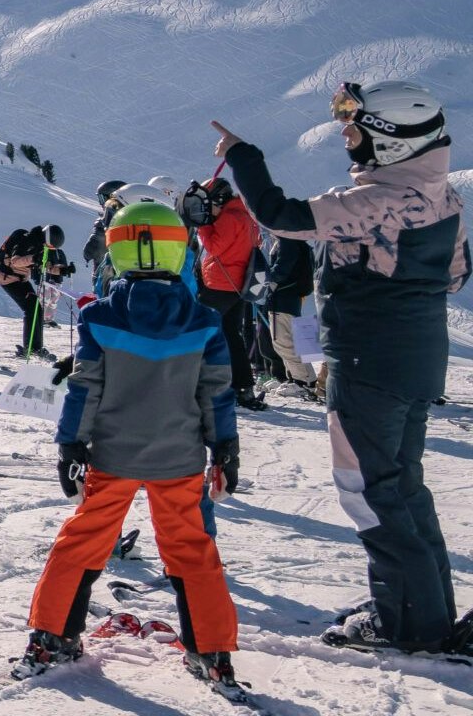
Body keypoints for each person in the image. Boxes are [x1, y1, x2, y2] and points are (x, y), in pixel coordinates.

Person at [214, 81, 468, 654]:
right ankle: (421, 607)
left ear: (394, 142)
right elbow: (456, 273)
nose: (348, 140)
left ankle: (408, 623)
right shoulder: (443, 198)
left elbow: (282, 216)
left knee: (367, 490)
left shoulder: (378, 200)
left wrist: (243, 158)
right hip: (417, 359)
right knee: (401, 485)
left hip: (369, 360)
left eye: (358, 131)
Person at [12, 201, 241, 691]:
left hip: (112, 457)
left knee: (81, 544)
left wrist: (71, 446)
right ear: (178, 249)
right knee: (193, 552)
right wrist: (224, 447)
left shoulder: (100, 319)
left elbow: (85, 388)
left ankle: (51, 638)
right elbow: (216, 393)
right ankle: (212, 651)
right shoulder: (203, 321)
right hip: (179, 459)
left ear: (117, 251)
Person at [182, 176, 265, 410]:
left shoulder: (228, 217)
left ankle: (193, 383)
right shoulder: (246, 215)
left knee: (199, 330)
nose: (210, 209)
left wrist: (203, 226)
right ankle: (243, 387)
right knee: (231, 334)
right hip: (239, 285)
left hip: (219, 283)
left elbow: (215, 247)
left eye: (211, 204)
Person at [0, 225, 75, 358]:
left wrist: (62, 270)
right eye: (50, 246)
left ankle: (36, 347)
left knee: (37, 308)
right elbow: (15, 261)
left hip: (21, 279)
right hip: (8, 278)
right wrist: (33, 258)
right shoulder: (27, 240)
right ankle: (31, 347)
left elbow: (44, 266)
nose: (50, 249)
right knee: (32, 307)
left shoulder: (40, 245)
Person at [261, 227, 319, 400]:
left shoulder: (287, 242)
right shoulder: (299, 241)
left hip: (283, 298)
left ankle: (303, 381)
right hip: (292, 297)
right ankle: (298, 378)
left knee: (283, 341)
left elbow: (283, 266)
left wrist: (270, 279)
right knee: (291, 340)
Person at [83, 179, 127, 297]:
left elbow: (92, 248)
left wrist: (88, 254)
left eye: (102, 199)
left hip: (105, 274)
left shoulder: (104, 222)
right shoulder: (131, 220)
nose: (101, 204)